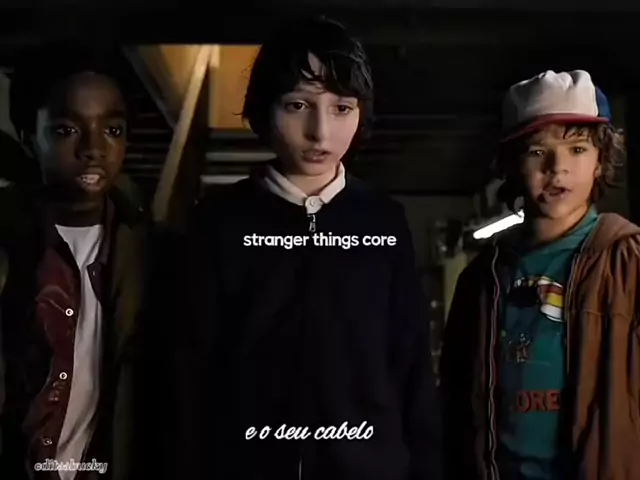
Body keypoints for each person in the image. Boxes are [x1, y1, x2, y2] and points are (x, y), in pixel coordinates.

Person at [178, 15, 442, 480]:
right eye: (297, 105)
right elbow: (188, 371)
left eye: (342, 108)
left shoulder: (383, 220)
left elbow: (411, 363)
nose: (321, 133)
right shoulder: (219, 222)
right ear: (264, 108)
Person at [440, 69, 639, 480]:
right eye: (536, 152)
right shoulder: (482, 278)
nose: (557, 168)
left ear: (601, 161)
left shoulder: (629, 262)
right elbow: (455, 402)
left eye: (578, 149)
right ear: (512, 165)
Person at [0, 43, 148, 480]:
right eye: (66, 130)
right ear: (29, 136)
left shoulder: (149, 255)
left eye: (113, 130)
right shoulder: (10, 241)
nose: (94, 148)